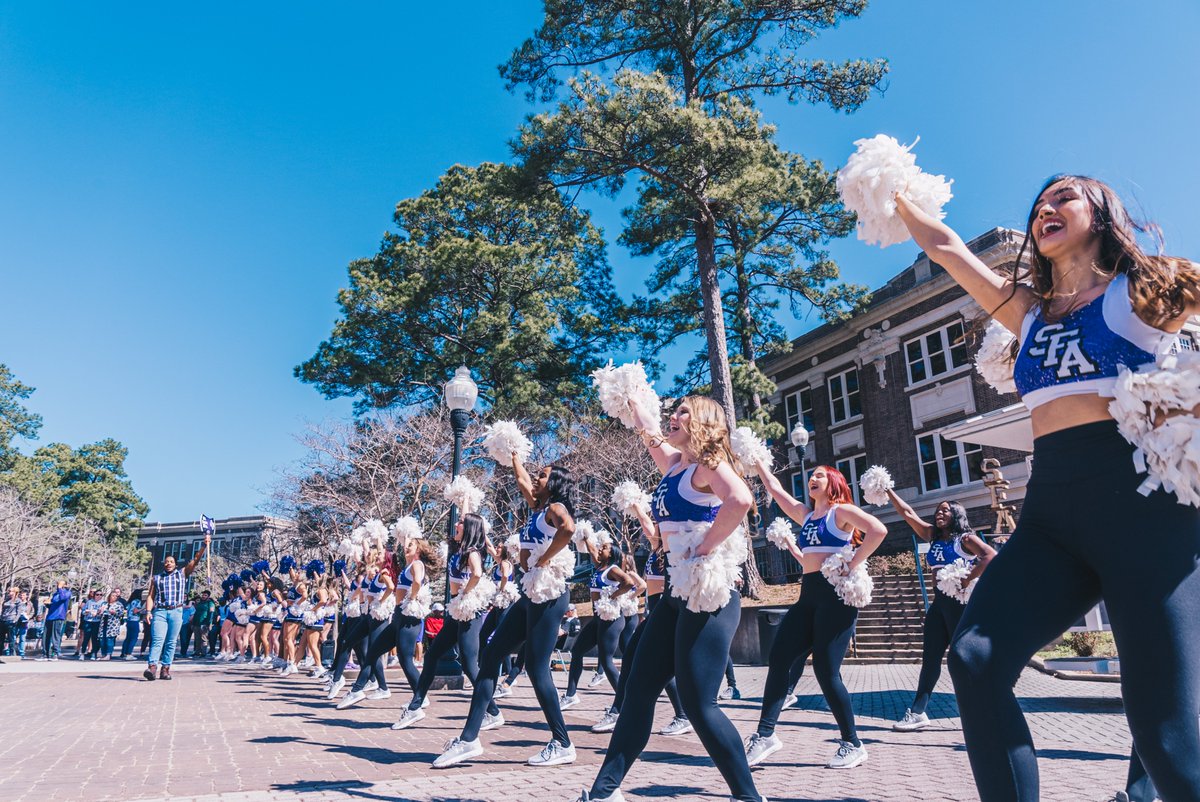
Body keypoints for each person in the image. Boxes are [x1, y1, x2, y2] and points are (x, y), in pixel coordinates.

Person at [894, 176, 1200, 800]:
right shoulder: (1027, 311)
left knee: (1166, 737)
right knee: (974, 659)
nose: (1046, 209)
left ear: (1103, 213)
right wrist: (891, 185)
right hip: (1052, 518)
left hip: (1147, 519)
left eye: (1064, 197)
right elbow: (947, 247)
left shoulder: (1144, 288)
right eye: (1038, 204)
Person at [575, 396, 764, 802]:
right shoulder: (678, 465)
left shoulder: (710, 465)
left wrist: (706, 548)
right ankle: (604, 792)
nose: (672, 418)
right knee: (638, 691)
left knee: (699, 706)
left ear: (704, 423)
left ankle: (748, 797)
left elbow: (741, 500)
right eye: (672, 412)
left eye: (683, 413)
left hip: (708, 598)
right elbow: (649, 436)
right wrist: (630, 397)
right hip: (677, 597)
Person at [431, 456, 578, 769]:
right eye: (537, 474)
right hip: (530, 595)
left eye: (543, 475)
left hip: (548, 596)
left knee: (538, 670)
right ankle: (469, 740)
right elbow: (524, 483)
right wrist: (513, 455)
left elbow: (569, 529)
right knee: (491, 655)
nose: (537, 479)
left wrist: (545, 559)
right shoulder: (539, 507)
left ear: (554, 484)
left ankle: (562, 742)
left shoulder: (555, 509)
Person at [743, 464, 887, 771]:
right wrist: (757, 463)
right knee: (780, 657)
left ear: (833, 481)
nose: (813, 479)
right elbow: (777, 492)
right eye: (811, 476)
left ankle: (853, 743)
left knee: (825, 669)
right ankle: (765, 734)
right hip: (808, 598)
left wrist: (853, 563)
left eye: (820, 475)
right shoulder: (808, 516)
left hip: (836, 598)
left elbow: (878, 530)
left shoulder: (841, 511)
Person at [884, 494, 996, 732]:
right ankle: (917, 712)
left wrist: (967, 578)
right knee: (930, 660)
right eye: (938, 511)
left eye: (945, 510)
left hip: (960, 606)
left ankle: (985, 709)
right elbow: (907, 514)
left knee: (963, 660)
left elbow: (990, 556)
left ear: (956, 514)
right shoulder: (932, 536)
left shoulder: (965, 539)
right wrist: (888, 491)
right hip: (938, 607)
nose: (940, 514)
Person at [393, 515, 501, 729]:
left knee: (470, 665)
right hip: (456, 612)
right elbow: (466, 512)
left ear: (469, 528)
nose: (457, 524)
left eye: (461, 522)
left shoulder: (471, 553)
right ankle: (415, 706)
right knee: (432, 655)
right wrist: (465, 498)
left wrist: (464, 594)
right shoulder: (461, 549)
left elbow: (477, 574)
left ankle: (493, 711)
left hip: (468, 611)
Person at [560, 541, 635, 709]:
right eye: (600, 547)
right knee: (577, 651)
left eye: (605, 548)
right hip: (597, 619)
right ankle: (570, 695)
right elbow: (593, 550)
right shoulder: (599, 567)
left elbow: (628, 583)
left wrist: (613, 596)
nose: (600, 549)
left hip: (611, 620)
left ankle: (624, 704)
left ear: (613, 552)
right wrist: (586, 538)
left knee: (607, 661)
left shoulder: (613, 569)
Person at [143, 533, 209, 680]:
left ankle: (165, 669)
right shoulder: (157, 578)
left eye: (171, 561)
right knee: (158, 639)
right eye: (166, 561)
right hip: (160, 611)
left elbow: (195, 560)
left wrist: (204, 545)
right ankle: (152, 667)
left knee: (171, 642)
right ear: (163, 564)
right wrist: (148, 611)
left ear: (175, 564)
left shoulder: (182, 574)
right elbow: (150, 596)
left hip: (176, 611)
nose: (168, 563)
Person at [39, 580, 71, 661]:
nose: (58, 585)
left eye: (60, 584)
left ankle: (55, 653)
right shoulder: (55, 594)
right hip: (50, 616)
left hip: (59, 616)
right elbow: (53, 605)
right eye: (58, 584)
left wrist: (60, 588)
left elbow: (62, 598)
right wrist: (47, 604)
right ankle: (45, 654)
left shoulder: (67, 593)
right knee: (46, 636)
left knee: (55, 636)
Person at [4, 589, 31, 659]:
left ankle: (21, 653)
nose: (22, 596)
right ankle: (11, 651)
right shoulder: (14, 601)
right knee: (13, 637)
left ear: (26, 596)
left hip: (23, 623)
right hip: (15, 623)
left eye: (23, 595)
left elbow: (32, 612)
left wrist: (28, 617)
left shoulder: (29, 604)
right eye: (21, 595)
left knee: (22, 638)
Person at [97, 590, 125, 660]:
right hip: (103, 623)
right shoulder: (104, 604)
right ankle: (103, 654)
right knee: (102, 639)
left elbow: (121, 614)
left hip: (112, 624)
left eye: (116, 596)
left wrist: (114, 612)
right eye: (112, 595)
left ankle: (108, 654)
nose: (114, 597)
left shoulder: (119, 604)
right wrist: (100, 611)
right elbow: (99, 613)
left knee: (109, 639)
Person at [192, 590, 217, 659]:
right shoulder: (200, 602)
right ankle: (197, 652)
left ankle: (203, 653)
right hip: (196, 623)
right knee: (197, 638)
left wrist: (209, 623)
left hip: (204, 623)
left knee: (204, 638)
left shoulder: (210, 603)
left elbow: (211, 613)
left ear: (208, 596)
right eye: (203, 595)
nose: (203, 596)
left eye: (205, 595)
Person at [78, 590, 103, 660]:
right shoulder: (89, 602)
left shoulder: (103, 603)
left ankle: (93, 653)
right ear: (94, 595)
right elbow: (83, 611)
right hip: (88, 621)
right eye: (97, 594)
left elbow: (104, 612)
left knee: (94, 638)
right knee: (86, 638)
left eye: (101, 595)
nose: (99, 596)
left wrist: (99, 613)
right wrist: (86, 612)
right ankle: (82, 653)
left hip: (97, 621)